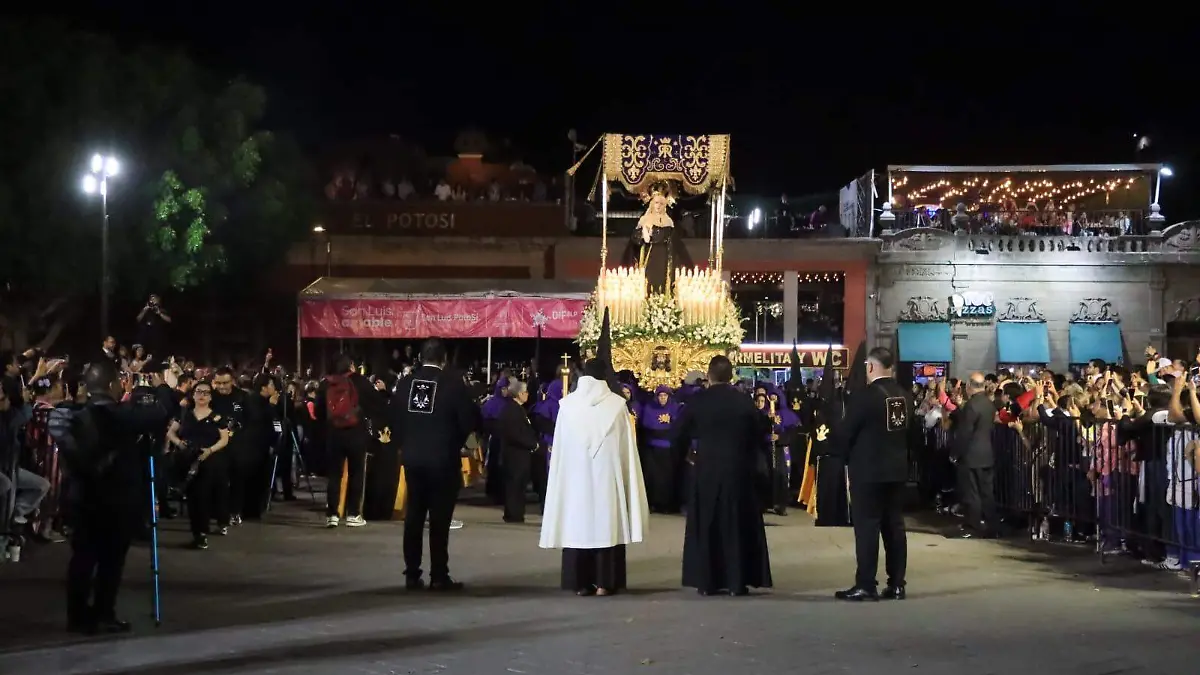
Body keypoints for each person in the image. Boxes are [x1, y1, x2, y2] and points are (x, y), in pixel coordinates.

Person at [49, 360, 176, 633]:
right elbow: (161, 413)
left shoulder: (73, 416)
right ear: (111, 385)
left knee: (82, 558)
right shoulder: (124, 415)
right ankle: (104, 613)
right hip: (117, 500)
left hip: (83, 498)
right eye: (119, 382)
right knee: (111, 562)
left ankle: (78, 616)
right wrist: (162, 387)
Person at [539, 351, 649, 596]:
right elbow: (626, 450)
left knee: (578, 523)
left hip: (576, 478)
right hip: (606, 478)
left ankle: (580, 583)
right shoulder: (617, 406)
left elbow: (561, 450)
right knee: (606, 523)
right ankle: (604, 582)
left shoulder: (567, 407)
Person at [674, 355, 773, 596]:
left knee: (708, 524)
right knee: (737, 524)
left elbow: (677, 435)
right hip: (739, 471)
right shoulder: (744, 402)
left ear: (709, 375)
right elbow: (762, 432)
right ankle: (737, 582)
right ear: (731, 376)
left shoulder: (698, 402)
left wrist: (687, 456)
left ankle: (707, 582)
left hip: (706, 470)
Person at [389, 338, 477, 591]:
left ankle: (412, 573)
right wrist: (454, 442)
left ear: (420, 357)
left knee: (414, 517)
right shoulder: (452, 385)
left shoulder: (405, 384)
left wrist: (407, 443)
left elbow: (394, 417)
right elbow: (467, 420)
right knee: (439, 520)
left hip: (413, 459)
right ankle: (439, 574)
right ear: (444, 358)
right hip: (442, 460)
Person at [832, 347, 912, 602]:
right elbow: (914, 435)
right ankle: (897, 584)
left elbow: (846, 432)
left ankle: (866, 583)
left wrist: (842, 457)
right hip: (896, 471)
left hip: (868, 472)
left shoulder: (864, 397)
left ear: (870, 367)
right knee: (895, 528)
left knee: (867, 528)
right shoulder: (905, 396)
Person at [316, 354, 385, 528]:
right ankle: (353, 514)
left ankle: (332, 514)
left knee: (334, 475)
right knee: (356, 473)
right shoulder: (360, 382)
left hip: (333, 435)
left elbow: (318, 412)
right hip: (356, 434)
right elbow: (377, 404)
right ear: (351, 366)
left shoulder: (326, 383)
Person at [165, 380, 231, 550]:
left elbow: (224, 439)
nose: (202, 395)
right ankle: (199, 533)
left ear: (211, 397)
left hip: (210, 459)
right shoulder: (184, 414)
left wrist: (210, 450)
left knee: (203, 494)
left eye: (206, 392)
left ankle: (205, 531)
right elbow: (171, 433)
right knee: (194, 498)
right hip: (187, 458)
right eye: (199, 392)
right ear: (193, 394)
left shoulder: (217, 417)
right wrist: (180, 444)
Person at [620, 181, 693, 295]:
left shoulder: (669, 222)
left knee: (664, 287)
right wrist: (644, 233)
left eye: (661, 203)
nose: (658, 206)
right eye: (656, 203)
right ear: (651, 203)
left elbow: (676, 244)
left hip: (664, 261)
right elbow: (635, 241)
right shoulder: (645, 220)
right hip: (649, 260)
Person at [952, 373, 998, 538]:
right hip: (987, 453)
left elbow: (965, 433)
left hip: (971, 455)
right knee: (987, 492)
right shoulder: (989, 404)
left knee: (972, 493)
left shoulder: (971, 405)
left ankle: (973, 526)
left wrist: (955, 453)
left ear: (969, 386)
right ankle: (992, 526)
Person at [497, 380, 539, 523]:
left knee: (517, 485)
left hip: (518, 454)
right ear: (519, 393)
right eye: (525, 392)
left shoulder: (516, 409)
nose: (527, 394)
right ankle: (514, 514)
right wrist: (533, 444)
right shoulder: (513, 411)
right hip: (515, 455)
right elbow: (516, 434)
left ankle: (513, 512)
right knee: (515, 485)